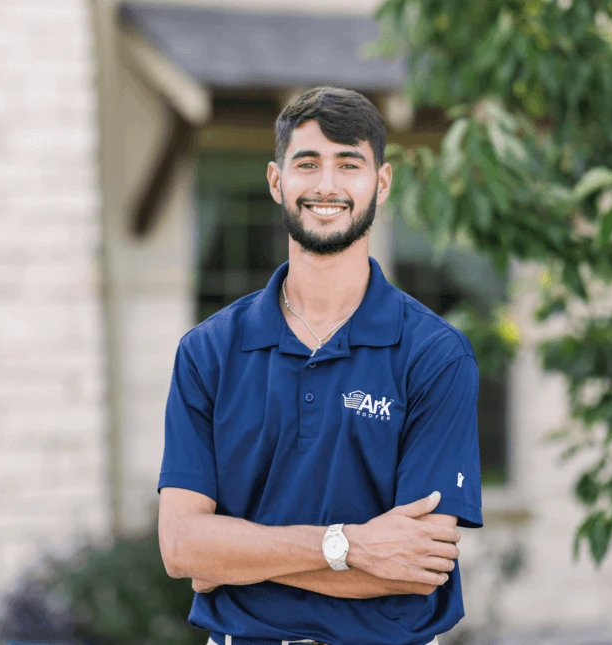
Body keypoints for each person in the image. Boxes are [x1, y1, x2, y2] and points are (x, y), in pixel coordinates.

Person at [158, 86, 483, 645]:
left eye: (348, 164)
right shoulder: (207, 352)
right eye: (307, 164)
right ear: (276, 180)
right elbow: (184, 549)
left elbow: (414, 567)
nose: (326, 186)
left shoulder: (434, 355)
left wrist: (235, 559)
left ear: (380, 182)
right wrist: (350, 546)